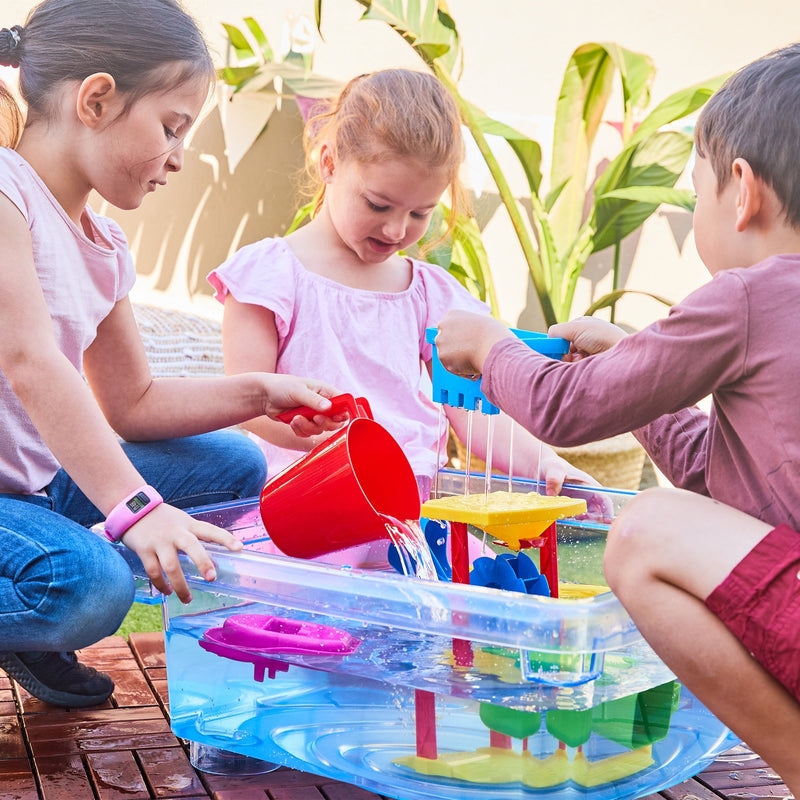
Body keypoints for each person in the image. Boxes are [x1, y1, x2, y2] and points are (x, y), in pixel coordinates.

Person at [434, 43, 800, 792]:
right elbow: (726, 477)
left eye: (692, 193)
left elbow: (563, 410)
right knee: (677, 518)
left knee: (642, 534)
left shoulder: (752, 296)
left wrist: (491, 344)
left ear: (741, 191)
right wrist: (637, 367)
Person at [0, 0, 340, 710]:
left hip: (25, 493)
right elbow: (30, 361)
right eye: (171, 127)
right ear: (96, 99)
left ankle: (26, 624)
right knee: (91, 588)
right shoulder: (6, 195)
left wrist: (257, 393)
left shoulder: (103, 246)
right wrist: (135, 509)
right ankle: (38, 612)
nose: (179, 158)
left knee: (236, 463)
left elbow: (132, 404)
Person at [209, 68, 596, 520]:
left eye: (420, 212)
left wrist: (545, 461)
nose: (396, 229)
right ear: (329, 163)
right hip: (307, 512)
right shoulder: (271, 276)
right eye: (378, 204)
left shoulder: (431, 295)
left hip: (410, 515)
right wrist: (325, 440)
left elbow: (471, 413)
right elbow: (245, 403)